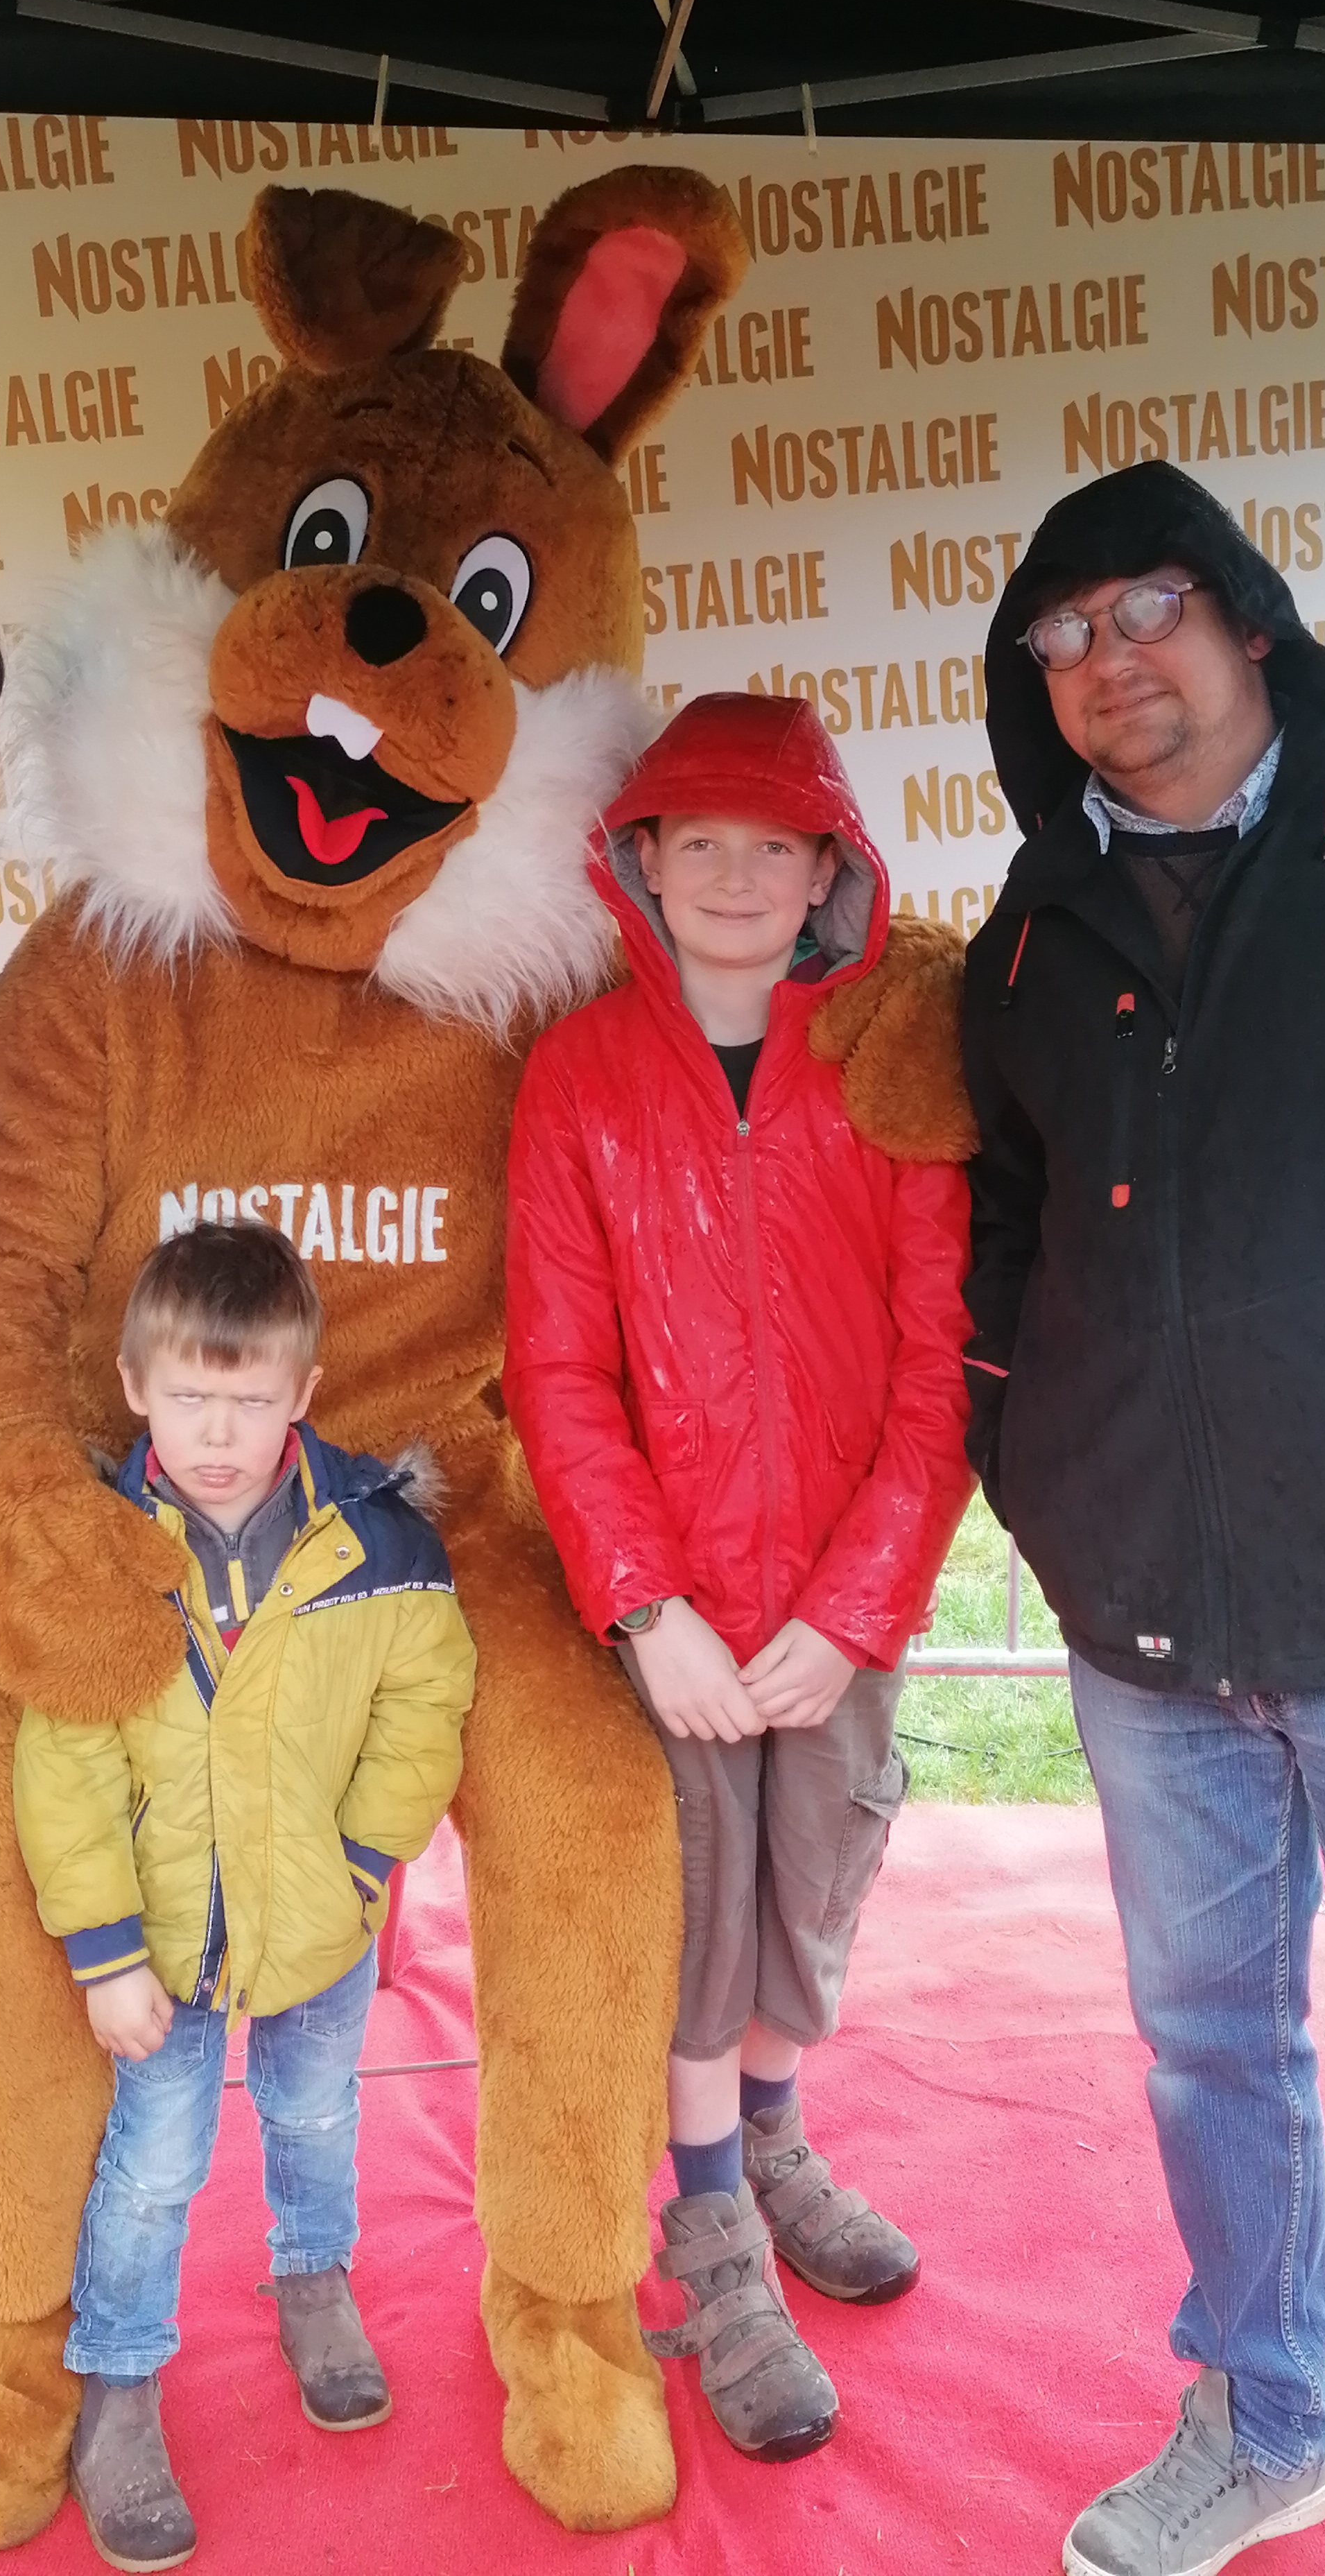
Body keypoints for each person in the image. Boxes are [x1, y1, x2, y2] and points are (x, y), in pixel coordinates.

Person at [962, 459, 1325, 2576]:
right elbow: (1005, 1244)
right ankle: (1265, 2421)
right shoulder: (1030, 940)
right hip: (1151, 1629)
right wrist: (1041, 1470)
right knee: (1210, 2055)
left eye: (1149, 609)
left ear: (1249, 623)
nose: (1108, 660)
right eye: (1064, 634)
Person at [501, 691, 973, 2464]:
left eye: (774, 846)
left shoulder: (883, 1066)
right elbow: (558, 1366)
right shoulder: (579, 1074)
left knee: (807, 1895)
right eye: (698, 841)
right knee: (697, 1927)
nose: (734, 876)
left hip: (834, 1611)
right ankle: (711, 2226)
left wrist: (857, 1610)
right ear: (639, 859)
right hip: (680, 1622)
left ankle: (771, 2139)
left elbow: (939, 1361)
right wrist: (644, 1604)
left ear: (828, 871)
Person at [13, 1220, 476, 2571]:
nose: (220, 1434)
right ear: (135, 1384)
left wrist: (364, 1864)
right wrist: (106, 1951)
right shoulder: (103, 1558)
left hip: (323, 1920)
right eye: (190, 1397)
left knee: (317, 2108)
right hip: (162, 1944)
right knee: (154, 2161)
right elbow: (67, 1762)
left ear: (304, 1392)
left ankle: (313, 2275)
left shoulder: (380, 1545)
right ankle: (119, 2378)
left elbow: (423, 1706)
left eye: (253, 1400)